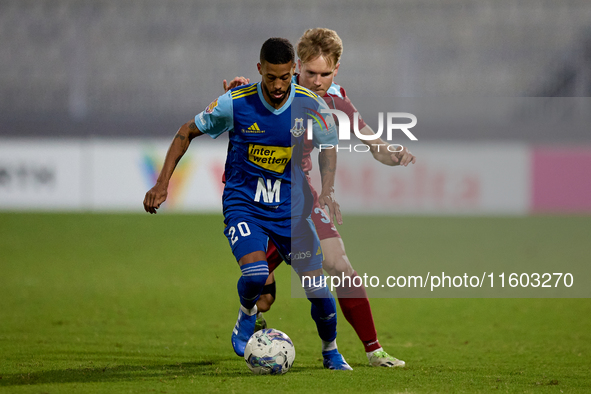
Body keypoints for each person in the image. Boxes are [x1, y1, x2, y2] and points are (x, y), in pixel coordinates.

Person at [144, 37, 353, 370]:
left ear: (293, 71)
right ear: (260, 70)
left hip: (290, 211)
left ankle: (331, 351)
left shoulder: (311, 106)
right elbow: (186, 131)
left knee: (317, 288)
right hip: (245, 205)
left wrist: (327, 189)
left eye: (285, 77)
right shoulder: (235, 103)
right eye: (271, 77)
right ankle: (246, 316)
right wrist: (161, 183)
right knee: (256, 273)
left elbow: (329, 146)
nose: (278, 85)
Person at [223, 28, 416, 368]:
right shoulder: (276, 90)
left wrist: (392, 153)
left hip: (300, 201)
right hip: (260, 201)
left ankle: (372, 350)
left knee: (339, 265)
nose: (316, 80)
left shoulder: (336, 98)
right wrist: (235, 92)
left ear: (336, 70)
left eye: (324, 73)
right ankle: (250, 313)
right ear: (297, 68)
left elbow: (371, 142)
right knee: (263, 296)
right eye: (309, 73)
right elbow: (241, 108)